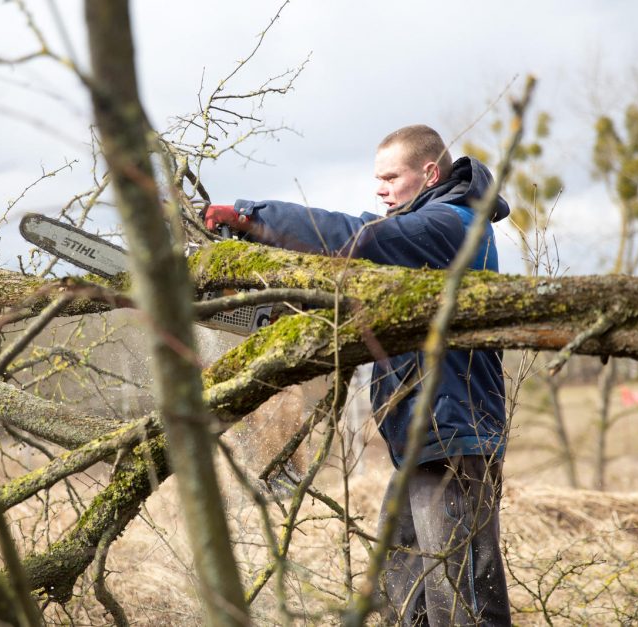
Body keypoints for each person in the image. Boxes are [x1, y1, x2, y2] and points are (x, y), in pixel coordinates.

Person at [204, 124, 511, 626]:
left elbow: (357, 237)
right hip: (425, 444)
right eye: (378, 178)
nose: (381, 188)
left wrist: (252, 218)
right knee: (405, 597)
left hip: (456, 441)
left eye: (391, 176)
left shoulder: (451, 225)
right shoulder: (420, 245)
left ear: (430, 173)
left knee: (463, 607)